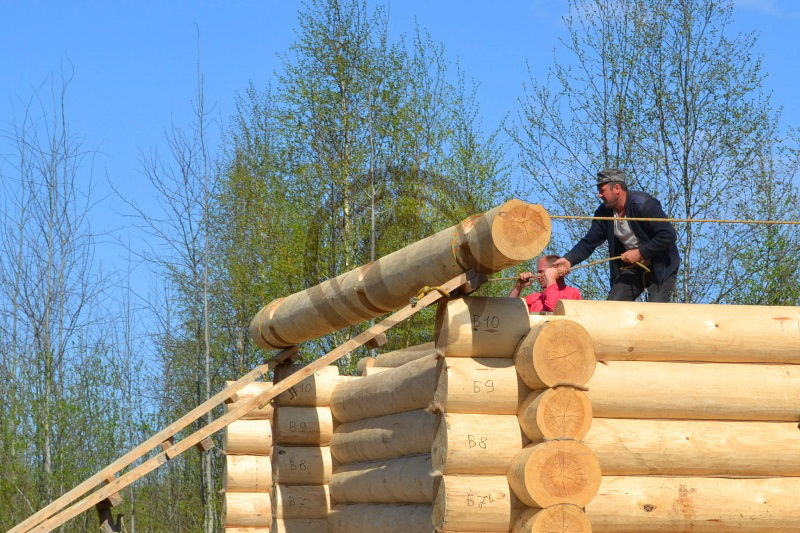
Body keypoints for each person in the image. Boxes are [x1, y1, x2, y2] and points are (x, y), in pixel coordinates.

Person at [553, 168, 679, 302]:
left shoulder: (644, 204)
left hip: (661, 264)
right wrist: (568, 260)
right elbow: (589, 242)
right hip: (633, 267)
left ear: (617, 188)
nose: (599, 195)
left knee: (656, 311)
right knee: (613, 306)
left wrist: (640, 252)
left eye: (602, 191)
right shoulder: (604, 213)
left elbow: (668, 235)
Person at [508, 254, 582, 312]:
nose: (538, 276)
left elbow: (554, 309)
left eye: (541, 272)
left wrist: (551, 280)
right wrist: (518, 286)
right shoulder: (536, 297)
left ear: (555, 270)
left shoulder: (573, 293)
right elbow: (509, 310)